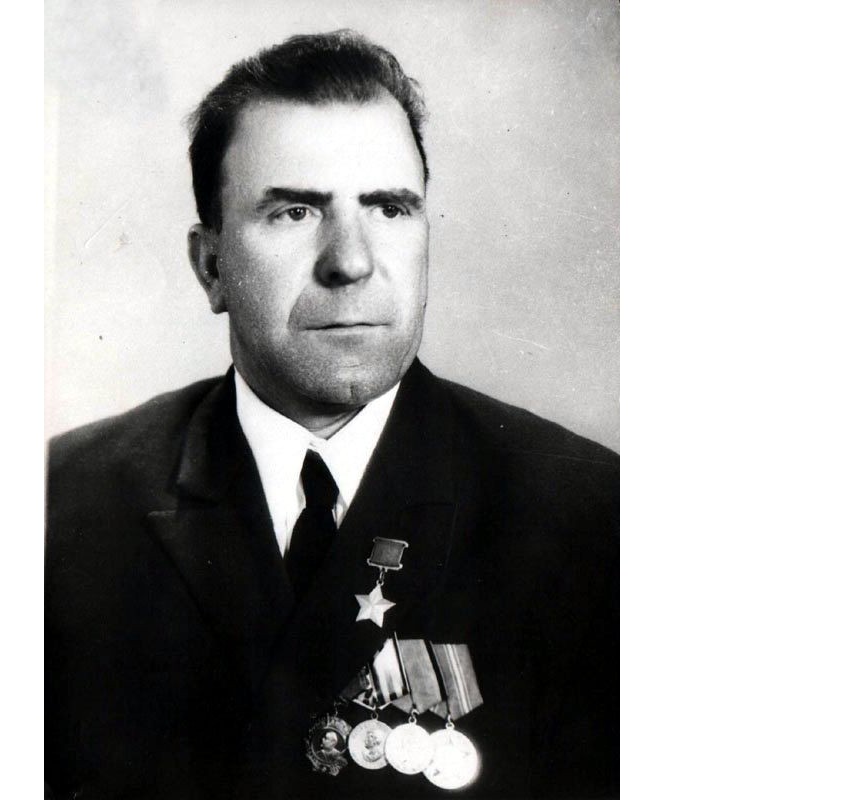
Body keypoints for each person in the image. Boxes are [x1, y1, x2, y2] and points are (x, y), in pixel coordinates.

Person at [46, 29, 617, 799]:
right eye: (294, 212)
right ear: (211, 266)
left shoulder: (593, 521)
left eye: (389, 208)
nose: (351, 260)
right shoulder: (62, 507)